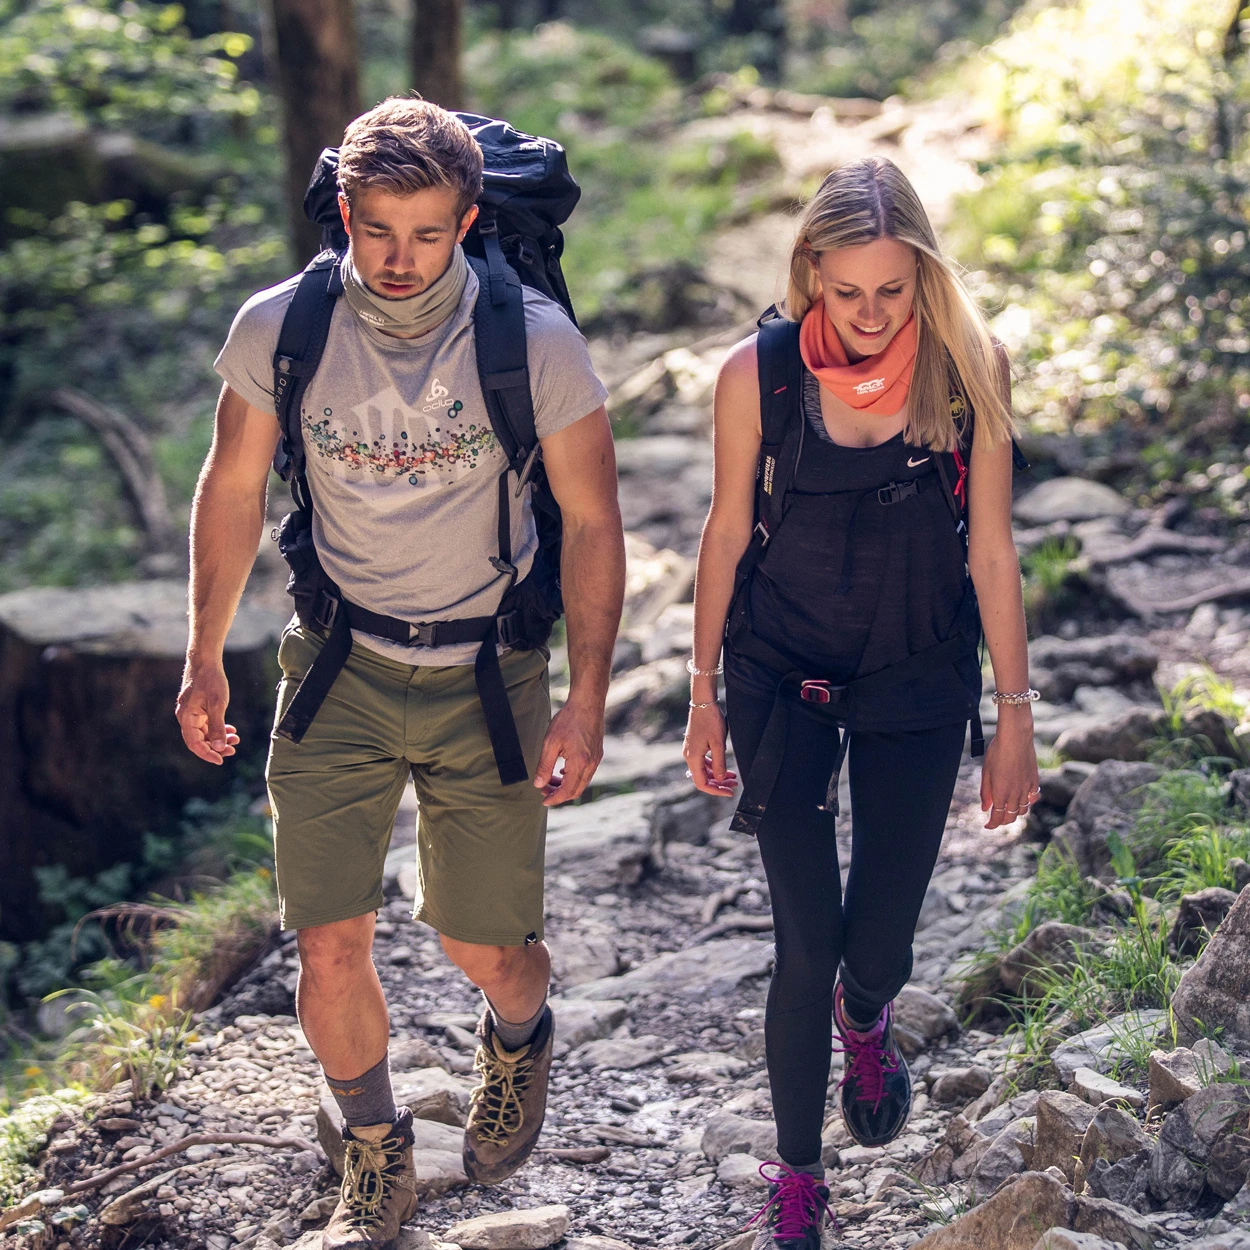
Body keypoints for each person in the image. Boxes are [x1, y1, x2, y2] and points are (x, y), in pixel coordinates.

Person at [175, 99, 624, 1248]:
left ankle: (518, 1031)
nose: (398, 258)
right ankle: (377, 1155)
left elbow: (591, 521)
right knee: (328, 937)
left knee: (486, 949)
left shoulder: (532, 341)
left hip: (487, 670)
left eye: (426, 233)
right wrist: (201, 657)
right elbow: (231, 488)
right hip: (338, 665)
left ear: (467, 222)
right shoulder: (282, 327)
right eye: (376, 228)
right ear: (345, 212)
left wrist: (584, 697)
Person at [682, 156, 1039, 1249]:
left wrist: (1015, 715)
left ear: (922, 275)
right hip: (777, 677)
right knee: (805, 939)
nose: (871, 314)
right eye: (847, 292)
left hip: (916, 673)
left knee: (875, 945)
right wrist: (701, 692)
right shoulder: (756, 376)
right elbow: (724, 533)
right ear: (810, 273)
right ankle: (797, 1178)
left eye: (892, 289)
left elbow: (991, 550)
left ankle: (866, 1013)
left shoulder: (967, 366)